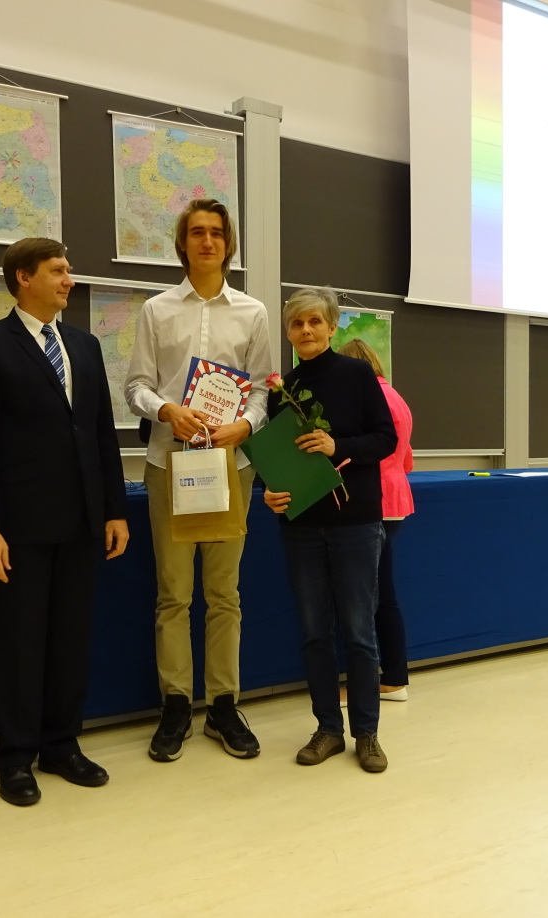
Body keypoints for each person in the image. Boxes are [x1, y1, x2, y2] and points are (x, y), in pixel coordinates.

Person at [0, 237, 129, 807]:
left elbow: (101, 434)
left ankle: (61, 745)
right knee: (21, 643)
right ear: (23, 278)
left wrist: (114, 509)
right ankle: (15, 757)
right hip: (20, 527)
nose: (69, 280)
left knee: (71, 641)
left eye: (68, 269)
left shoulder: (85, 345)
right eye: (58, 270)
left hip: (82, 522)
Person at [124, 198, 272, 762]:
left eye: (216, 233)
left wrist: (246, 425)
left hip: (231, 468)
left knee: (224, 594)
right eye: (196, 232)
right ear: (182, 243)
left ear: (227, 244)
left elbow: (262, 391)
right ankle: (176, 704)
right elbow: (136, 385)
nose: (207, 241)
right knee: (173, 594)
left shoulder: (253, 312)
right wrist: (165, 410)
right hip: (171, 465)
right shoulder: (156, 310)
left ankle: (224, 705)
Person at [261, 288, 397, 773]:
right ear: (288, 332)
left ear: (332, 327)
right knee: (315, 633)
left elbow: (386, 438)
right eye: (297, 324)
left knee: (359, 633)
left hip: (355, 523)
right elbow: (275, 456)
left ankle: (367, 733)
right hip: (301, 525)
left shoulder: (357, 375)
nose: (306, 331)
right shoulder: (281, 388)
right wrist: (268, 491)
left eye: (315, 321)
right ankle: (327, 729)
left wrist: (338, 445)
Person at [338, 338, 415, 703]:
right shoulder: (396, 397)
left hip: (373, 502)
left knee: (367, 598)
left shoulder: (368, 401)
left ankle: (375, 681)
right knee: (382, 593)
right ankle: (393, 675)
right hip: (395, 500)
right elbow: (407, 460)